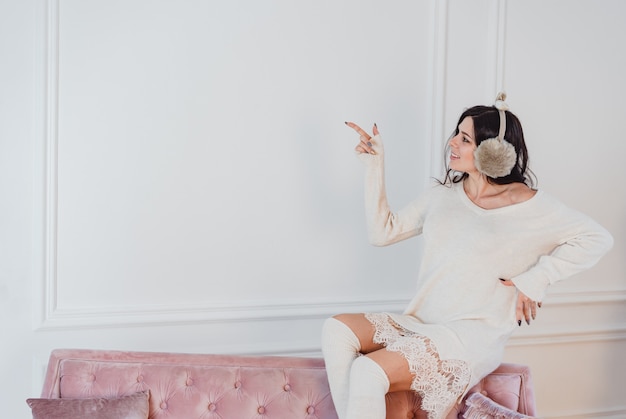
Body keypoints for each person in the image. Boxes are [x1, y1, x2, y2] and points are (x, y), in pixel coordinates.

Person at [321, 93, 613, 419]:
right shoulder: (443, 197)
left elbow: (598, 238)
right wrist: (374, 166)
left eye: (465, 139)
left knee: (368, 371)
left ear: (493, 150)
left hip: (470, 335)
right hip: (423, 322)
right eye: (455, 134)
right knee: (336, 329)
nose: (452, 143)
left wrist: (536, 279)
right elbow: (383, 232)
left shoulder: (529, 205)